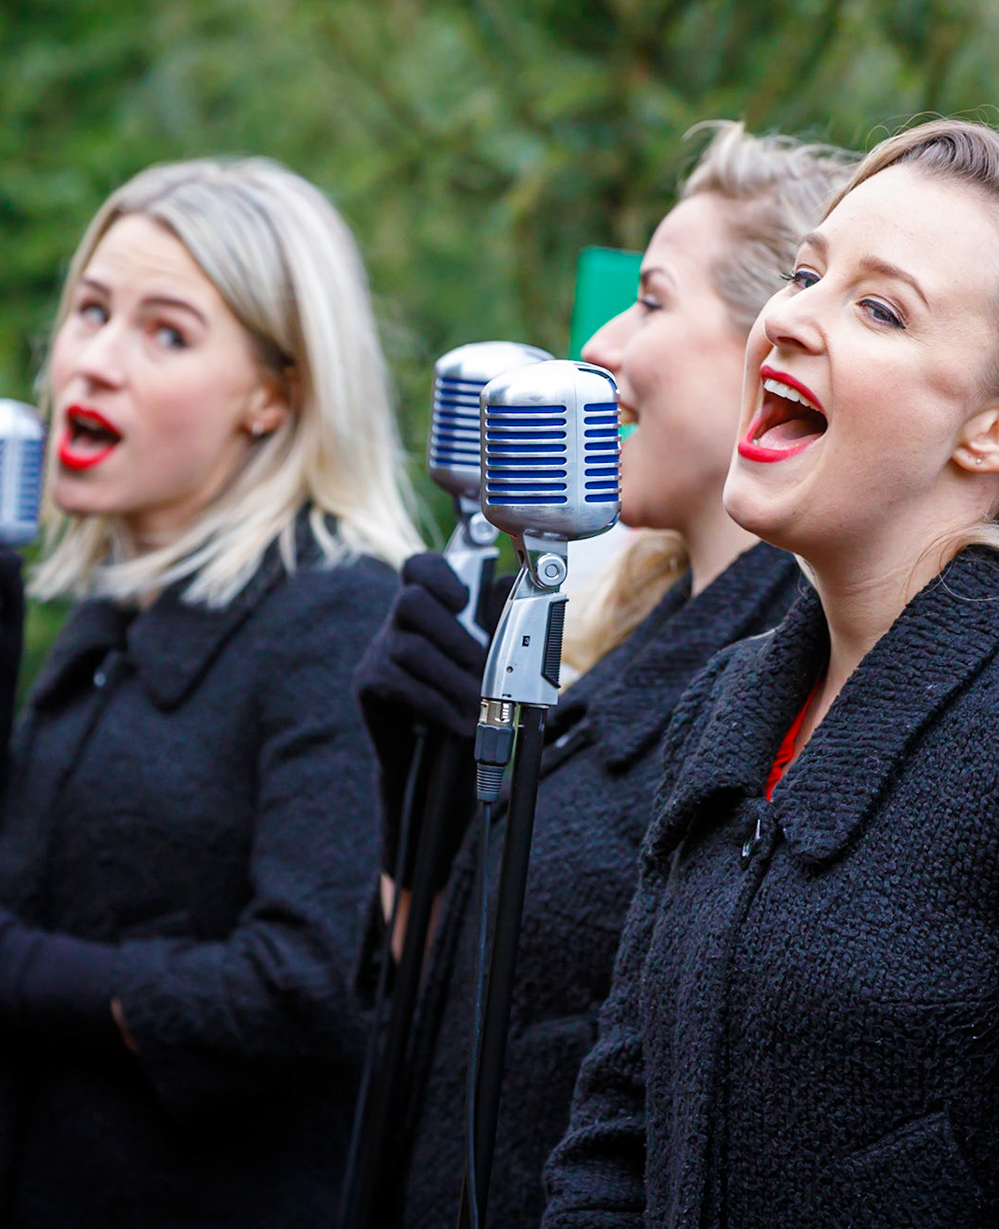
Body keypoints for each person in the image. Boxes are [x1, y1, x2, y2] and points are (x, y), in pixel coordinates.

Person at [542, 117, 999, 1227]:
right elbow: (611, 1140)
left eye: (879, 309)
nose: (792, 320)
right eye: (806, 273)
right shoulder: (727, 703)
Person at [0, 157, 420, 1228]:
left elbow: (304, 983)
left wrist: (0, 967)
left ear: (278, 391)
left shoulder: (338, 615)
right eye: (90, 311)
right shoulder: (117, 605)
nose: (94, 362)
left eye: (165, 332)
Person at [352, 123, 856, 1227]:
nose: (599, 350)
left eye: (653, 301)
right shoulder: (624, 643)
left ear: (776, 347)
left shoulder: (799, 689)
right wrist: (422, 817)